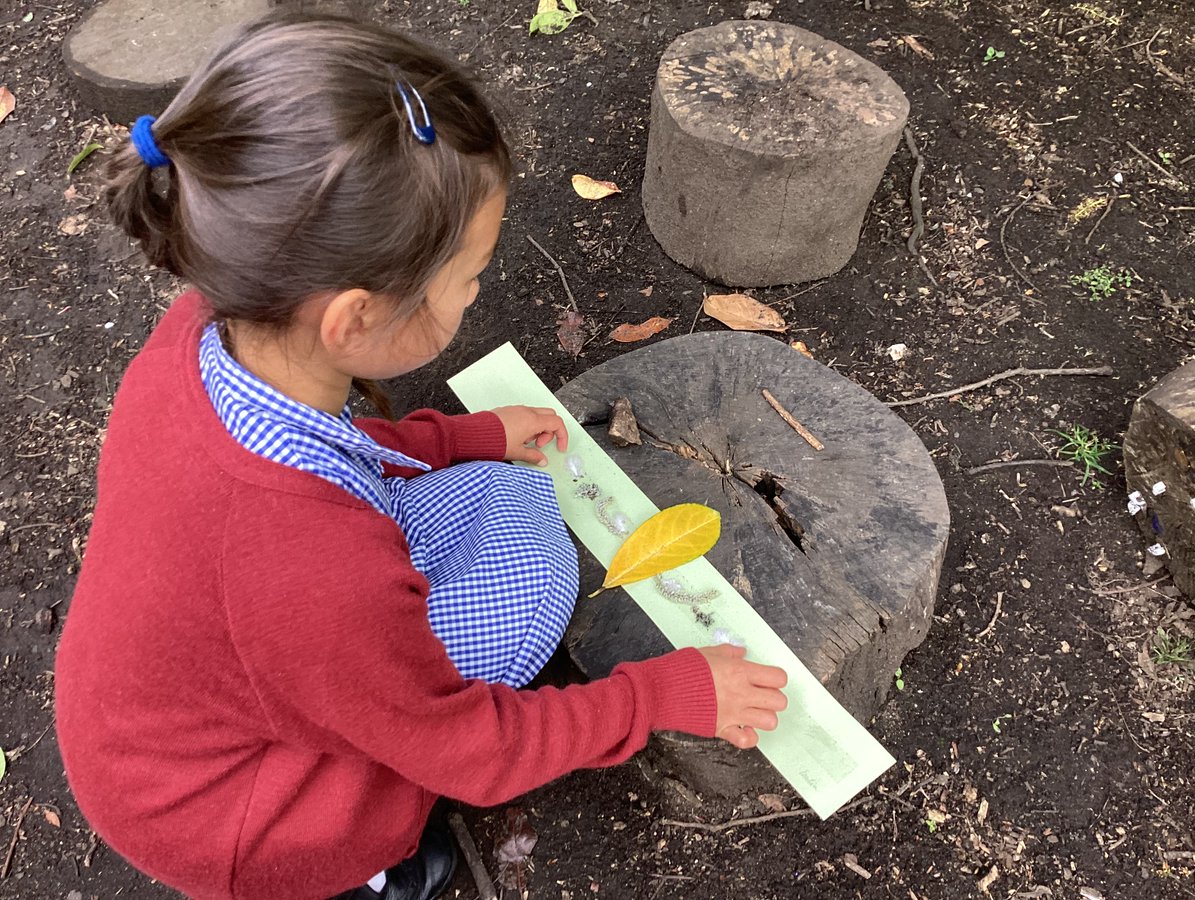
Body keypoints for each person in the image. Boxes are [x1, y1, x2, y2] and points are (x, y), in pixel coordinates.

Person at [54, 12, 788, 900]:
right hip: (236, 814)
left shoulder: (210, 332)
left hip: (171, 712)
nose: (479, 291)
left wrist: (463, 437)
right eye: (469, 276)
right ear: (355, 319)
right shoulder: (307, 573)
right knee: (523, 591)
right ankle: (369, 869)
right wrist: (661, 695)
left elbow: (334, 452)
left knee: (504, 495)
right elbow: (469, 746)